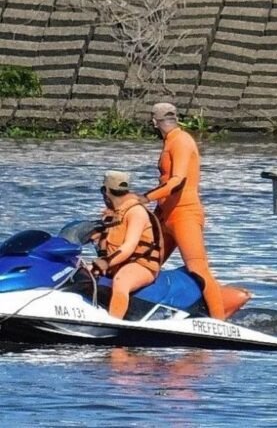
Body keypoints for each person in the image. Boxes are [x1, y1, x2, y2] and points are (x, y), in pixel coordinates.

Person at [138, 102, 247, 320]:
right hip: (165, 215)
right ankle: (133, 310)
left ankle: (218, 320)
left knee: (198, 269)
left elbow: (177, 182)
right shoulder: (170, 141)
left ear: (153, 122)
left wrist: (145, 198)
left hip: (184, 215)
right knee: (145, 264)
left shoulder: (181, 141)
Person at [92, 171, 162, 319]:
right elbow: (103, 239)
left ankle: (113, 324)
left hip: (142, 265)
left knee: (121, 281)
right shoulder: (113, 213)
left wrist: (106, 262)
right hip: (118, 262)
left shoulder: (136, 212)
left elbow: (129, 246)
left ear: (105, 191)